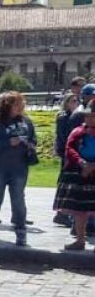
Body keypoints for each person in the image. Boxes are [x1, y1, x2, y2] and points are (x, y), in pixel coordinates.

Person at [0, 91, 37, 246]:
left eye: (22, 104)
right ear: (7, 106)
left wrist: (30, 145)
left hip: (19, 168)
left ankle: (20, 232)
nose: (21, 107)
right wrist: (7, 143)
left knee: (18, 200)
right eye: (17, 104)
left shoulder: (26, 122)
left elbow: (33, 139)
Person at [55, 102, 95, 251]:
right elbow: (70, 149)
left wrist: (93, 166)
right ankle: (80, 239)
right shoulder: (78, 132)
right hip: (79, 173)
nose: (89, 119)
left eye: (93, 116)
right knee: (80, 210)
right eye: (88, 116)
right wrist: (82, 163)